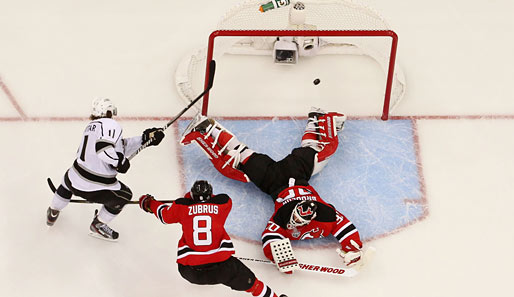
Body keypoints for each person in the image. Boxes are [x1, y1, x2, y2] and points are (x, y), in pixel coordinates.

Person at [180, 107, 365, 272]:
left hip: (275, 179)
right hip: (290, 177)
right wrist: (281, 257)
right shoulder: (288, 217)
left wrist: (354, 249)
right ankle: (204, 130)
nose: (296, 222)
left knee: (241, 157)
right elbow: (271, 238)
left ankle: (317, 119)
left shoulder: (323, 215)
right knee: (238, 161)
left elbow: (270, 238)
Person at [138, 180, 287, 297]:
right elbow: (217, 199)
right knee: (253, 284)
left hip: (190, 271)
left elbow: (165, 215)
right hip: (223, 269)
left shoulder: (181, 206)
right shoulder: (223, 204)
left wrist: (149, 203)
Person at [46, 97, 165, 241]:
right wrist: (118, 162)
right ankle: (98, 224)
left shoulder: (91, 127)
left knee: (67, 180)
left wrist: (144, 139)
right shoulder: (110, 124)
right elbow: (103, 149)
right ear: (108, 112)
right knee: (124, 195)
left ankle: (53, 211)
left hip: (73, 179)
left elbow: (119, 146)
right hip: (93, 187)